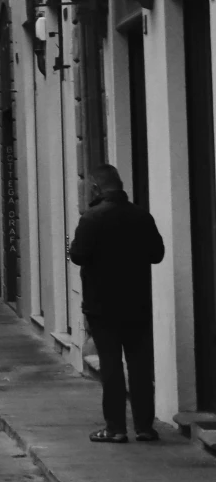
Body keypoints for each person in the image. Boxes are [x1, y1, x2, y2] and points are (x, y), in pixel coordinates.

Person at [69, 164, 165, 443]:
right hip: (137, 303)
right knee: (139, 366)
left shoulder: (91, 218)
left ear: (97, 188)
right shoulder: (141, 215)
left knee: (110, 365)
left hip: (102, 305)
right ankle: (145, 428)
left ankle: (115, 428)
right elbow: (157, 254)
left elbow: (77, 255)